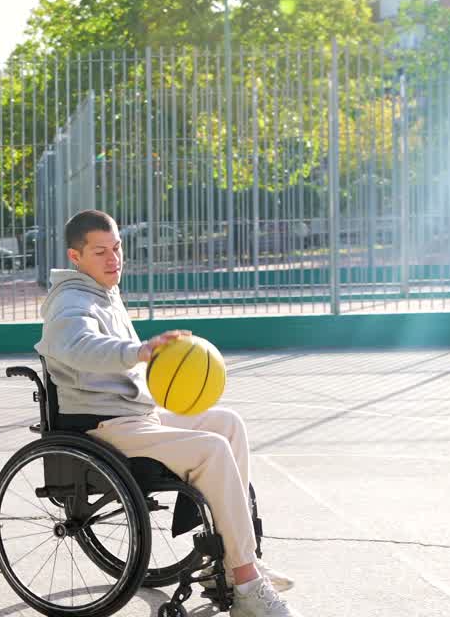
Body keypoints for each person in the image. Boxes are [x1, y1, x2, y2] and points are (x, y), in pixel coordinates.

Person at [35, 209, 300, 617]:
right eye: (100, 251)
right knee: (210, 449)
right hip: (102, 427)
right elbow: (76, 346)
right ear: (75, 257)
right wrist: (136, 352)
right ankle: (246, 583)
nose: (114, 259)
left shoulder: (103, 293)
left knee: (227, 424)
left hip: (133, 416)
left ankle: (225, 564)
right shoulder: (70, 301)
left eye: (118, 248)